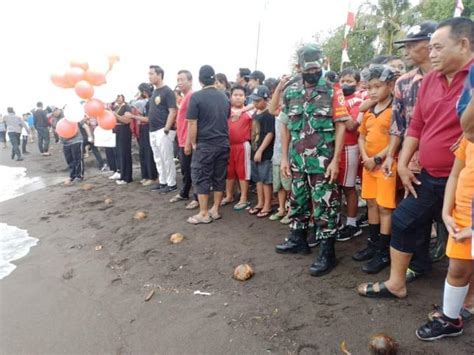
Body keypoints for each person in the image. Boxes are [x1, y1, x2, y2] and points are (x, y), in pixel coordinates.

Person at [357, 17, 474, 299]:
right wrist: (404, 164)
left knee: (462, 240)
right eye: (430, 48)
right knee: (405, 220)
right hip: (427, 173)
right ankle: (396, 283)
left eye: (437, 47)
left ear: (463, 45)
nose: (431, 54)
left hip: (462, 178)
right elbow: (416, 125)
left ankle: (467, 301)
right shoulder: (430, 80)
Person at [275, 43, 350, 276]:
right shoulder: (291, 91)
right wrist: (285, 158)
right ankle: (299, 240)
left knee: (325, 204)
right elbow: (286, 126)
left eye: (315, 68)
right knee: (297, 199)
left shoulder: (332, 91)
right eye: (307, 69)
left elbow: (340, 127)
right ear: (299, 67)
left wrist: (336, 160)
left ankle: (328, 252)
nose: (311, 73)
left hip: (323, 161)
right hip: (297, 159)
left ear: (322, 63)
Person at [380, 21, 442, 282]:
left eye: (412, 44)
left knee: (448, 215)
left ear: (431, 45)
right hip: (413, 161)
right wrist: (393, 156)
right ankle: (420, 261)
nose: (407, 50)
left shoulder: (457, 79)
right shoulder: (404, 82)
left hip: (450, 162)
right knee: (415, 217)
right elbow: (400, 125)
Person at [354, 65, 397, 275]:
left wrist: (378, 158)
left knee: (385, 208)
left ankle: (383, 251)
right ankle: (372, 243)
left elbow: (399, 137)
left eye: (377, 86)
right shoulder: (369, 112)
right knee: (370, 203)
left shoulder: (394, 110)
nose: (372, 91)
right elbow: (361, 136)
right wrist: (365, 157)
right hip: (368, 164)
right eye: (369, 87)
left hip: (386, 165)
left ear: (389, 85)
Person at [185, 65, 230, 224]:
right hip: (223, 143)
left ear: (199, 79)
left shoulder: (196, 97)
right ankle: (215, 210)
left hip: (206, 143)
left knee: (201, 176)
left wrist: (192, 142)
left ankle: (203, 213)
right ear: (213, 78)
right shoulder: (224, 97)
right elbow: (227, 118)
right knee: (219, 177)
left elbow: (192, 123)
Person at [336, 67, 364, 241]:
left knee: (348, 187)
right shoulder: (338, 98)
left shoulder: (358, 101)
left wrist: (339, 108)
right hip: (336, 147)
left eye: (350, 81)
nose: (345, 84)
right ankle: (338, 220)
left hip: (350, 147)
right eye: (343, 81)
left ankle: (352, 224)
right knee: (336, 187)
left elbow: (352, 125)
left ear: (358, 83)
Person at [169, 70, 199, 209]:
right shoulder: (185, 97)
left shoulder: (192, 96)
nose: (179, 83)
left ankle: (197, 198)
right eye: (178, 80)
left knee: (192, 170)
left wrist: (188, 142)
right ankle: (184, 192)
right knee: (185, 170)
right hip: (181, 138)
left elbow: (192, 122)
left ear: (190, 81)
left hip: (187, 139)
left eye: (182, 80)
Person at [147, 65, 178, 194]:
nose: (149, 76)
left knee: (167, 158)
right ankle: (163, 181)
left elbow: (173, 110)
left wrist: (166, 128)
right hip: (153, 130)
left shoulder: (167, 91)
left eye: (151, 74)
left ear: (159, 75)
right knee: (158, 158)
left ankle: (172, 184)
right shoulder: (155, 91)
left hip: (163, 130)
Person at [221, 85, 252, 210]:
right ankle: (229, 195)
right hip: (228, 146)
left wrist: (242, 111)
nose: (238, 97)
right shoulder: (226, 111)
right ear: (230, 97)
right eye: (235, 95)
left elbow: (259, 103)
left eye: (241, 95)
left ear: (245, 98)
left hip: (242, 146)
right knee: (229, 172)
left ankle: (244, 197)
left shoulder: (249, 112)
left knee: (242, 172)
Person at [247, 85, 275, 218]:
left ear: (266, 99)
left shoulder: (269, 114)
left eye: (258, 101)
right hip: (254, 150)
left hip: (265, 153)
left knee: (265, 181)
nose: (255, 103)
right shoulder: (255, 113)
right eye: (254, 100)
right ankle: (260, 202)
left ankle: (267, 205)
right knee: (258, 179)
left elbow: (270, 134)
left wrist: (260, 150)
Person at [130, 83, 158, 186]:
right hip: (143, 128)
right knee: (144, 153)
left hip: (147, 128)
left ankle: (152, 176)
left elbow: (148, 119)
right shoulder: (147, 102)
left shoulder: (150, 102)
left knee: (148, 153)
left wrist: (134, 117)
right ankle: (147, 175)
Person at [113, 95, 133, 185]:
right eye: (116, 97)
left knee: (125, 153)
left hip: (124, 130)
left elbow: (126, 120)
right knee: (120, 153)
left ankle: (127, 177)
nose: (117, 98)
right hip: (117, 130)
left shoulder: (126, 107)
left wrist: (115, 115)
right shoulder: (116, 107)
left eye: (119, 96)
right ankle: (122, 175)